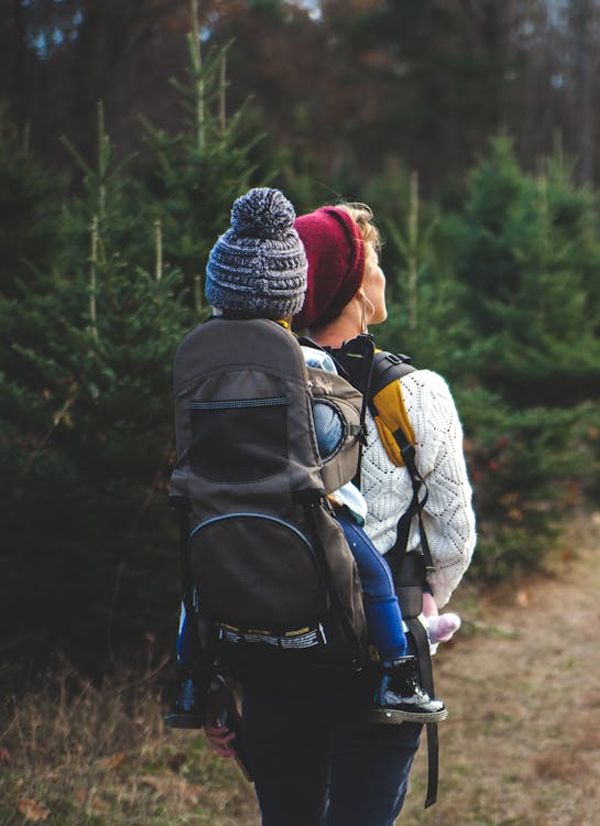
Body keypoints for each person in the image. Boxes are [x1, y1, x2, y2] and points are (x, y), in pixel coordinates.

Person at [203, 192, 476, 825]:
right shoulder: (414, 393)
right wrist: (423, 607)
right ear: (354, 285)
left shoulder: (251, 391)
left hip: (270, 650)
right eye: (374, 260)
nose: (383, 273)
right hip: (375, 665)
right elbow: (453, 536)